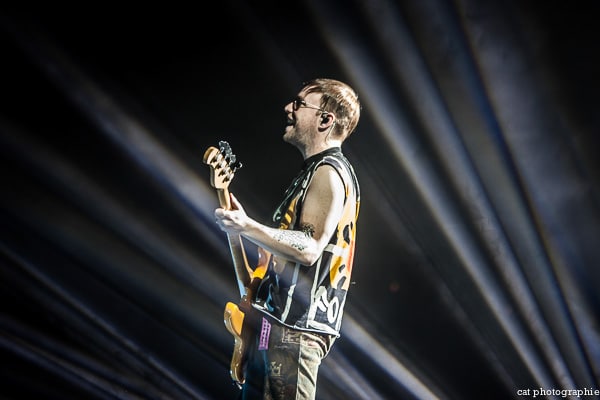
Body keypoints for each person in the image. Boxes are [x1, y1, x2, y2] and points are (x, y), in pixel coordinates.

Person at [214, 78, 361, 400]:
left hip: (294, 332)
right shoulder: (312, 172)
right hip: (273, 326)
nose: (288, 108)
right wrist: (239, 230)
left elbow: (310, 248)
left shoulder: (329, 171)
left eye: (299, 104)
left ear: (325, 120)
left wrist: (247, 226)